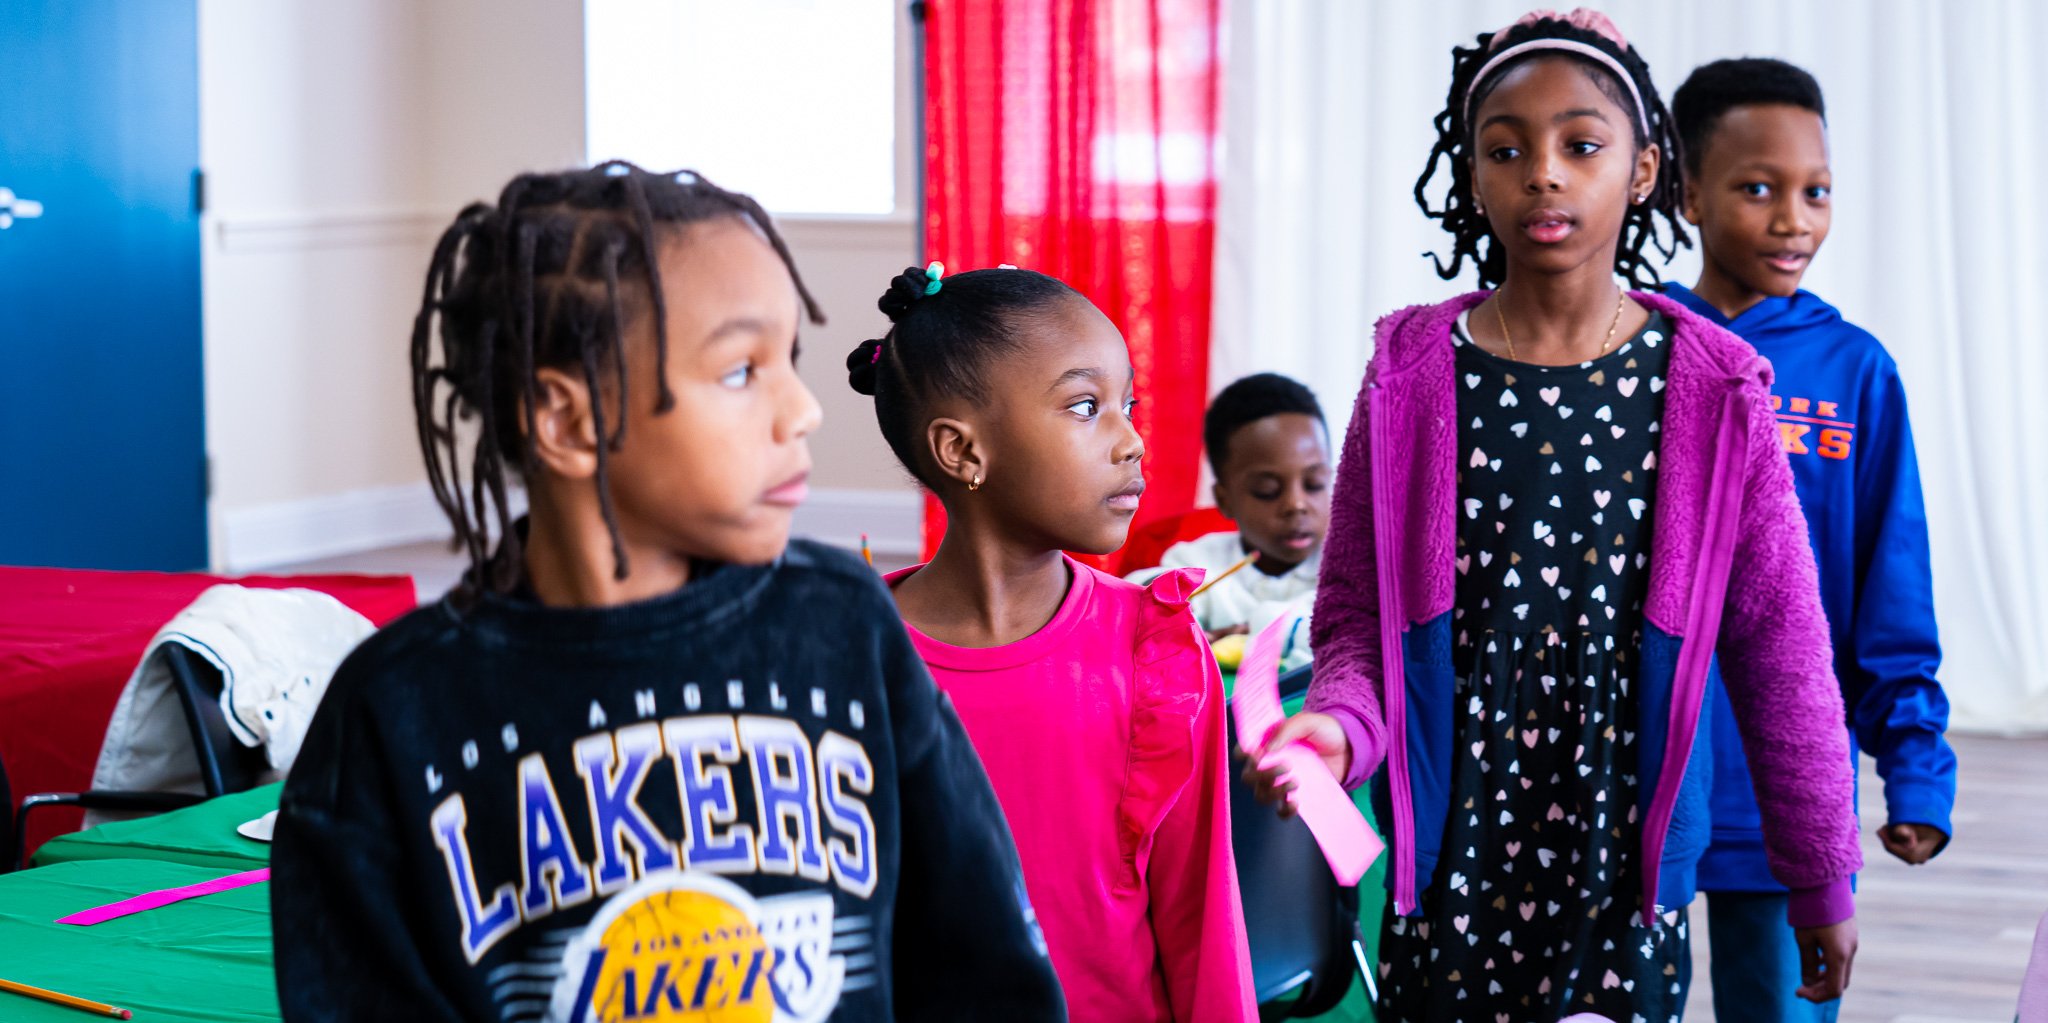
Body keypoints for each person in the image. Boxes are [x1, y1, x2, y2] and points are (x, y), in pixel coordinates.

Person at [270, 165, 1066, 1021]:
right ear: (568, 421)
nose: (801, 410)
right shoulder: (394, 711)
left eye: (789, 361)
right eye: (739, 371)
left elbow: (981, 964)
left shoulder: (841, 623)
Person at [1244, 11, 1863, 1020]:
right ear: (1472, 177)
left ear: (1644, 169)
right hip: (1451, 860)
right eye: (1506, 149)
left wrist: (1817, 871)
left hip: (1620, 864)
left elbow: (1780, 649)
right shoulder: (1408, 376)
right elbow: (1355, 613)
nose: (1543, 173)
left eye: (1579, 145)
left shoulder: (1715, 388)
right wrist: (1342, 731)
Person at [848, 264, 1256, 1022]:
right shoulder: (852, 658)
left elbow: (1203, 925)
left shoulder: (1154, 648)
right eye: (1085, 405)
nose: (1132, 440)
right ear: (962, 451)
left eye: (1128, 404)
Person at [1667, 56, 1958, 1023]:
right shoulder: (1640, 351)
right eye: (1758, 189)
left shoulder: (1856, 372)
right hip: (1638, 784)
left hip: (1781, 786)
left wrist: (1913, 766)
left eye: (1816, 192)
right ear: (1685, 191)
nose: (1794, 219)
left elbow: (1890, 580)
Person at [1128, 372, 1331, 671]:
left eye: (1314, 483)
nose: (1297, 505)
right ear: (1224, 499)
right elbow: (1141, 599)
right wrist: (1163, 605)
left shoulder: (1353, 567)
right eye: (1268, 491)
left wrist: (1260, 627)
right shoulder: (1195, 560)